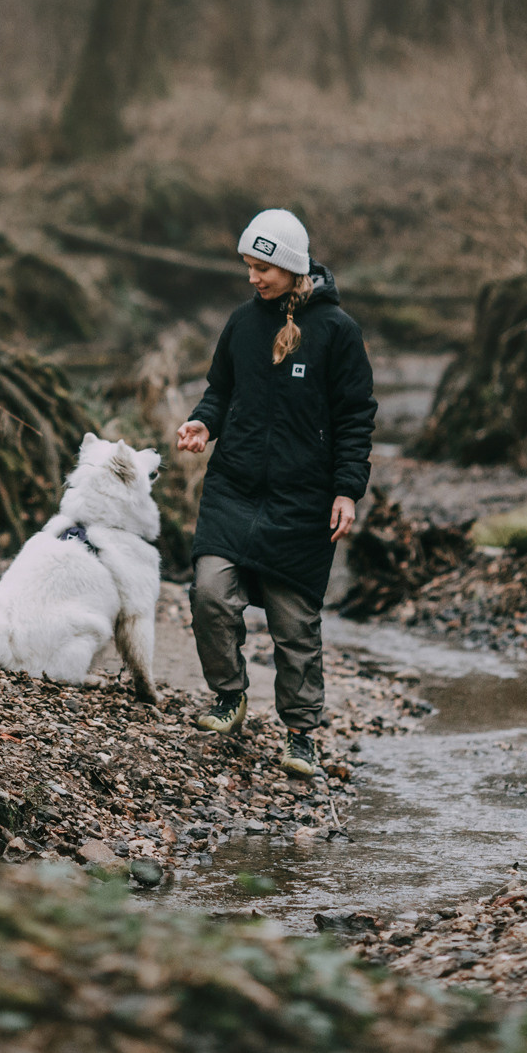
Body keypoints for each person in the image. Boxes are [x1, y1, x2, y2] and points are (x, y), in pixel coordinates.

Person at [175, 208, 376, 776]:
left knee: (295, 627)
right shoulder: (242, 322)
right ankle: (229, 696)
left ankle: (301, 735)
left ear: (291, 266)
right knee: (210, 594)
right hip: (234, 489)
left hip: (302, 502)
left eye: (263, 266)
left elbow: (356, 417)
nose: (253, 277)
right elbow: (220, 389)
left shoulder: (338, 332)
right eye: (248, 265)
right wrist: (202, 423)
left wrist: (346, 491)